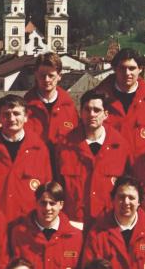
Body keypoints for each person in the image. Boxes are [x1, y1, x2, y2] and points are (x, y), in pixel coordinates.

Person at [55, 89, 129, 229]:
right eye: (87, 109)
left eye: (97, 110)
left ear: (106, 114)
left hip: (108, 224)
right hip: (74, 224)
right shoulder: (64, 146)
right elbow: (57, 188)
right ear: (81, 112)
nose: (92, 114)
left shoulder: (120, 146)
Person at [0, 94, 53, 223]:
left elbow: (47, 190)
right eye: (6, 114)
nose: (11, 119)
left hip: (29, 223)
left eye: (16, 114)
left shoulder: (39, 149)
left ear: (26, 117)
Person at [8, 182, 83, 269]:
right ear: (36, 203)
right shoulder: (20, 235)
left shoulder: (75, 236)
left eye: (52, 203)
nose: (47, 208)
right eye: (43, 203)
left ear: (61, 205)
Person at [94, 48, 145, 161]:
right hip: (108, 165)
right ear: (115, 69)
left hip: (141, 167)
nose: (127, 73)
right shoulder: (97, 100)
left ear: (140, 69)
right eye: (122, 68)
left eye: (132, 68)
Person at [24, 52, 78, 151]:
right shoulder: (24, 107)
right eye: (42, 75)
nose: (46, 79)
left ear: (59, 76)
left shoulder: (69, 107)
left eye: (51, 75)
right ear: (36, 74)